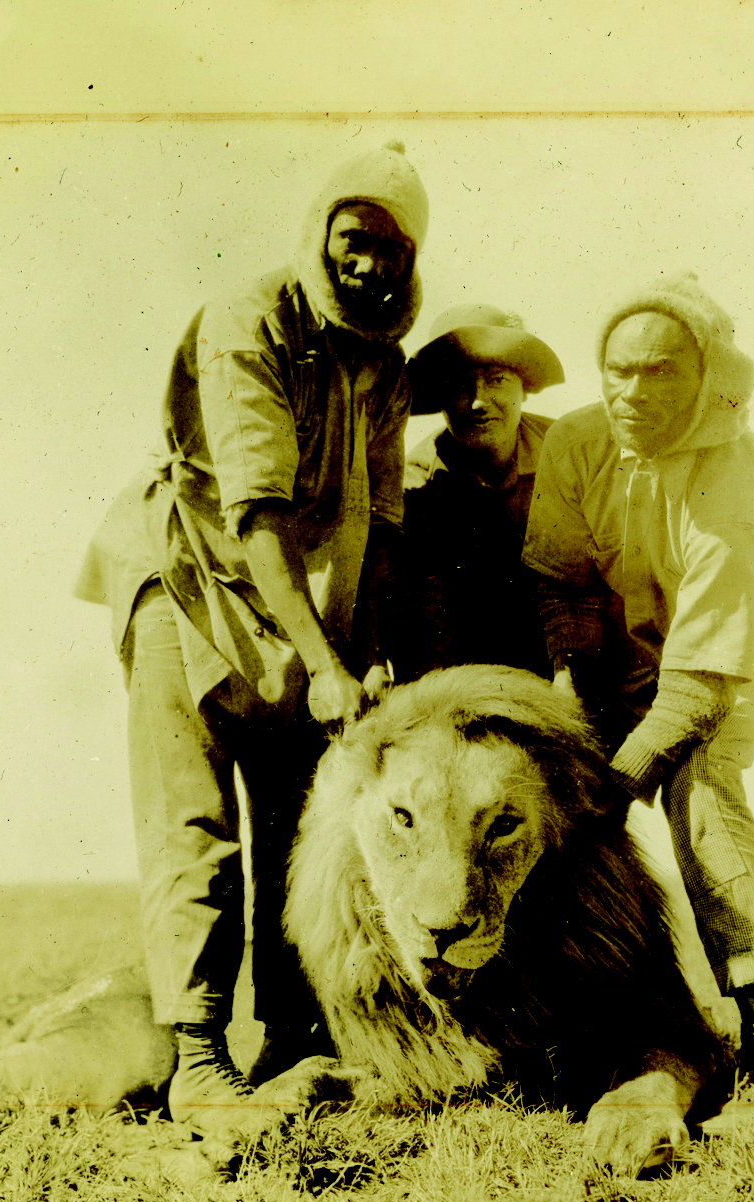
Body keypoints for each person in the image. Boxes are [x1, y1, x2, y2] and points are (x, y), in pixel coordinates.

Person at [75, 142, 428, 1133]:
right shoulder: (250, 319)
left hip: (288, 608)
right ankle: (197, 1058)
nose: (368, 266)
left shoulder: (383, 362)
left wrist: (364, 658)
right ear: (320, 231)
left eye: (391, 252)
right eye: (354, 240)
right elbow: (255, 514)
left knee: (294, 815)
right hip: (186, 574)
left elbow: (381, 528)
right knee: (196, 822)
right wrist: (321, 662)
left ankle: (288, 1034)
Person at [522, 271, 754, 1104]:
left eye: (660, 372)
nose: (632, 391)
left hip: (739, 654)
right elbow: (566, 583)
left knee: (699, 783)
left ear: (705, 378)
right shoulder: (576, 443)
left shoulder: (730, 483)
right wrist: (576, 708)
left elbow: (698, 688)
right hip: (632, 649)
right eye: (619, 369)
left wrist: (618, 781)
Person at [397, 304, 564, 679]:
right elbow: (424, 619)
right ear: (438, 396)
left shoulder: (568, 456)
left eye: (497, 379)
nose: (477, 401)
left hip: (572, 659)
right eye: (459, 383)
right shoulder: (416, 484)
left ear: (524, 386)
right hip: (468, 670)